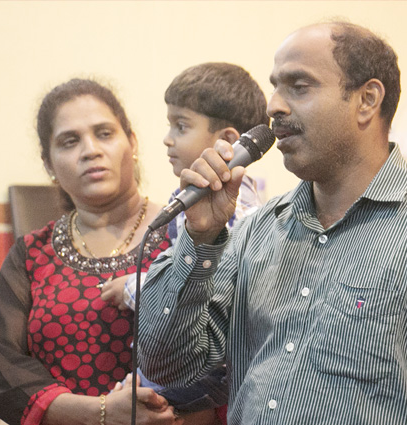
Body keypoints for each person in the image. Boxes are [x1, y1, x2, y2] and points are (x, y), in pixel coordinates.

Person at [138, 21, 407, 424]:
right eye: (275, 87)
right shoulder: (258, 231)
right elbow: (171, 371)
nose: (274, 107)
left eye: (299, 86)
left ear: (367, 100)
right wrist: (199, 239)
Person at [0, 78, 179, 425]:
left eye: (104, 133)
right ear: (49, 164)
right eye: (69, 141)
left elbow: (222, 353)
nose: (90, 150)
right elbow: (3, 371)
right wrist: (101, 414)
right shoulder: (30, 255)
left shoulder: (184, 236)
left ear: (131, 142)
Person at [101, 62, 268, 425]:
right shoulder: (194, 198)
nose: (167, 138)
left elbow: (213, 283)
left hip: (208, 369)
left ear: (226, 141)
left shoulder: (236, 208)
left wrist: (131, 286)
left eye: (181, 125)